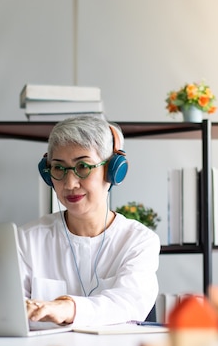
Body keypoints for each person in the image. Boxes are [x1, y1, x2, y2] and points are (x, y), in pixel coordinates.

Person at [17, 115, 160, 326]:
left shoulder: (138, 241)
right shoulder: (27, 239)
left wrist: (67, 308)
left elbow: (129, 303)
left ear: (112, 171)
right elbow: (8, 313)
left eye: (83, 166)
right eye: (58, 168)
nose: (70, 183)